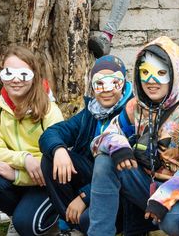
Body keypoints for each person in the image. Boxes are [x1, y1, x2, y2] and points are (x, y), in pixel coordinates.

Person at [88, 37, 179, 236]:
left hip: (177, 193)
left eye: (160, 73)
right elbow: (101, 139)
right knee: (104, 160)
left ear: (174, 74)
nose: (152, 81)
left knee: (174, 223)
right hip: (143, 184)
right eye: (145, 73)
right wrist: (119, 146)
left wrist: (164, 198)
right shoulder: (134, 107)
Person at [38, 55, 134, 234]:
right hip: (91, 178)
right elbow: (50, 134)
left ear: (123, 83)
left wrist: (84, 197)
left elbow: (129, 169)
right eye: (99, 83)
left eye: (114, 82)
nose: (107, 90)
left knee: (87, 220)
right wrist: (59, 150)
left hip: (119, 190)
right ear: (92, 86)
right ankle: (71, 226)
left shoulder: (133, 112)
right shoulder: (90, 112)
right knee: (49, 158)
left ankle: (80, 223)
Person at [0, 46, 65, 236]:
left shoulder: (49, 110)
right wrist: (25, 159)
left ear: (34, 75)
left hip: (45, 183)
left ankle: (51, 220)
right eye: (9, 73)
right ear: (1, 75)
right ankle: (20, 214)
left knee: (27, 226)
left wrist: (16, 174)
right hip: (18, 174)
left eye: (23, 74)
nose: (16, 80)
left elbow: (53, 159)